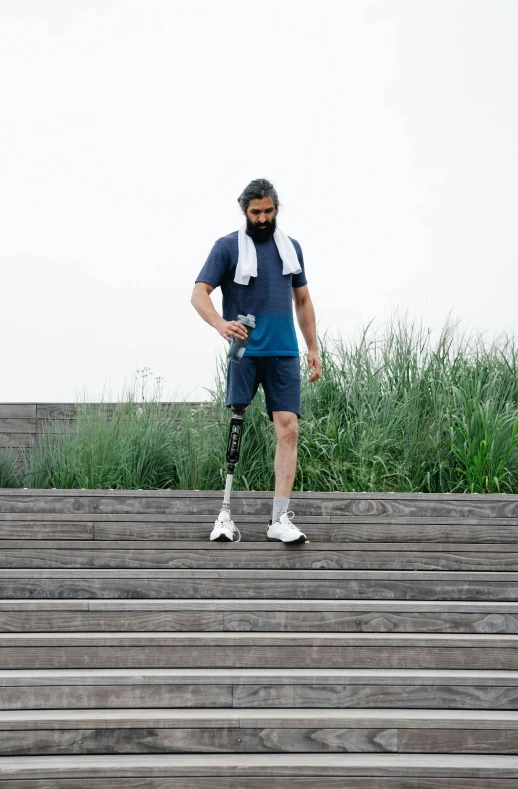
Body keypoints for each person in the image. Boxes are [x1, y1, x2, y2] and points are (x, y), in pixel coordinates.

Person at [191, 178, 322, 543]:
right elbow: (198, 294)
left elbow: (303, 301)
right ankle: (225, 515)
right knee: (236, 427)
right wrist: (220, 323)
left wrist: (312, 347)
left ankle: (279, 519)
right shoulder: (227, 247)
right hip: (245, 351)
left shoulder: (290, 249)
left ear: (276, 209)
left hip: (283, 350)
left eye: (268, 212)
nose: (263, 219)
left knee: (289, 428)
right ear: (244, 212)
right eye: (255, 213)